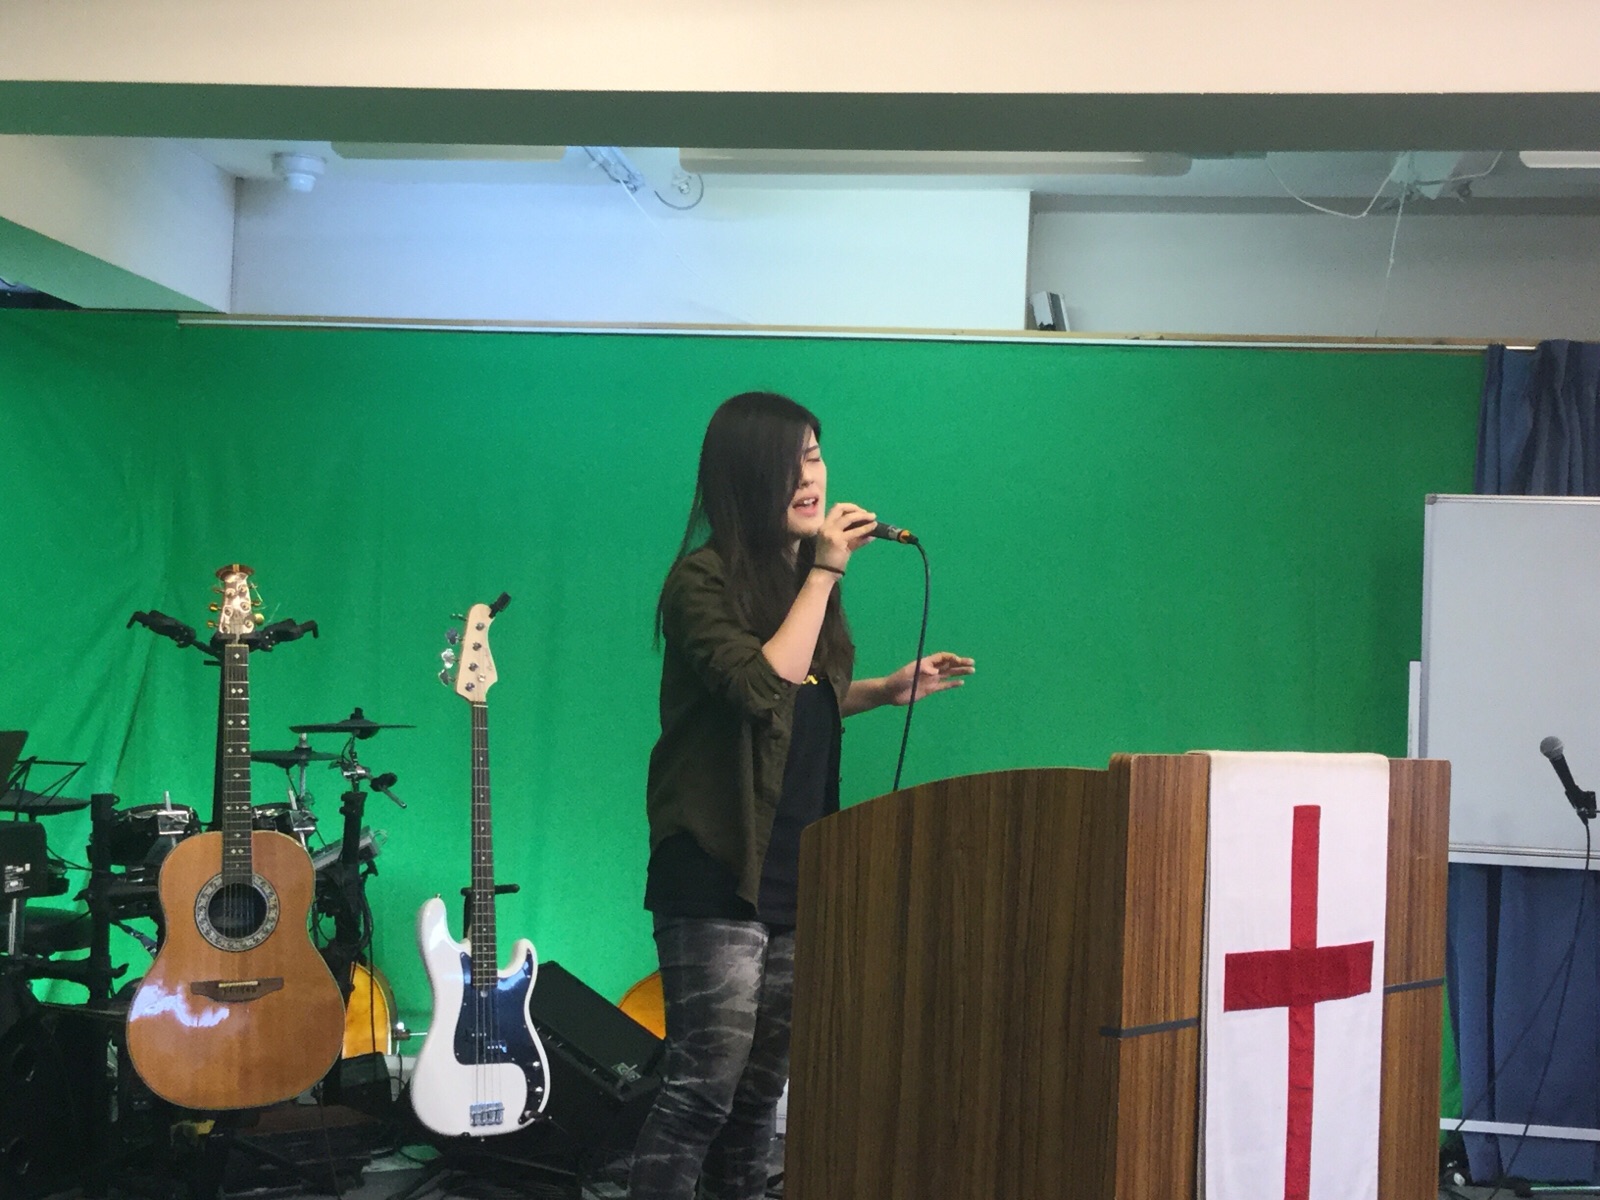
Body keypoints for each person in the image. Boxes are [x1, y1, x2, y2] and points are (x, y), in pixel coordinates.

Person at [629, 390, 975, 1200]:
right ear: (748, 478)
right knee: (701, 1092)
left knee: (759, 1098)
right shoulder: (700, 582)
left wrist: (883, 689)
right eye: (791, 463)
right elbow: (760, 688)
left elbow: (802, 696)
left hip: (798, 866)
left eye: (815, 456)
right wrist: (822, 572)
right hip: (716, 865)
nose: (811, 478)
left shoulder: (802, 578)